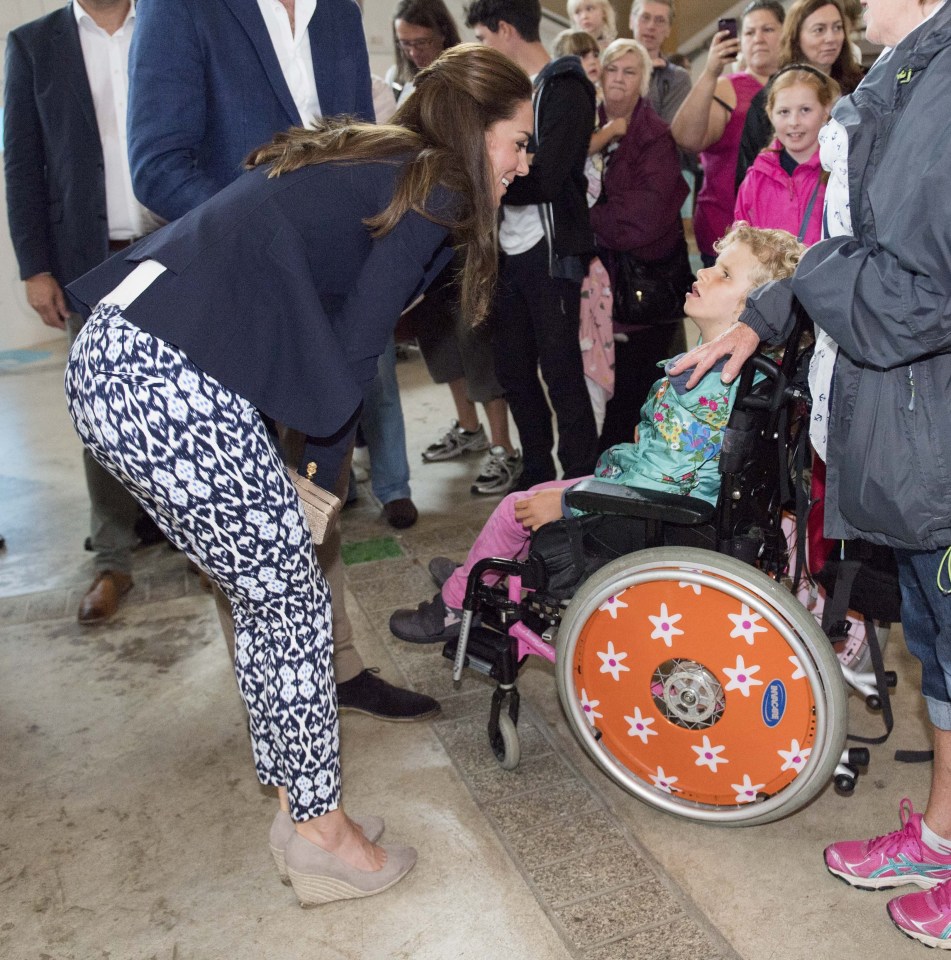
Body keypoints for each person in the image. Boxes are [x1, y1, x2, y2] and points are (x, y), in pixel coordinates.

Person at [63, 44, 534, 906]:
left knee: (271, 590)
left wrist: (308, 488)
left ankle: (297, 807)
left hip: (131, 360)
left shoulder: (382, 160)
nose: (523, 163)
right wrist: (316, 487)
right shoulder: (438, 186)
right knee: (285, 592)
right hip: (163, 375)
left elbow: (314, 315)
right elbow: (355, 347)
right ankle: (319, 832)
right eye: (516, 142)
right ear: (475, 134)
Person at [668, 0, 951, 948]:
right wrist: (775, 304)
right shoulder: (909, 66)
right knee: (936, 652)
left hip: (933, 415)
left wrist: (806, 282)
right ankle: (945, 837)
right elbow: (860, 246)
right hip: (908, 427)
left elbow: (918, 295)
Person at [125, 0, 435, 721]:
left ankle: (339, 665)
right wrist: (276, 243)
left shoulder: (337, 12)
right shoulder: (180, 10)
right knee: (245, 515)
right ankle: (283, 697)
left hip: (324, 290)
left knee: (316, 487)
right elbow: (158, 165)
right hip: (228, 288)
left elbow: (365, 145)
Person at [389, 224, 804, 642]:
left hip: (652, 514)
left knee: (518, 506)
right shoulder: (746, 378)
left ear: (750, 313)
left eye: (725, 274)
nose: (704, 273)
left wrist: (569, 503)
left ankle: (457, 604)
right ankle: (478, 572)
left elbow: (658, 480)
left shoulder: (698, 386)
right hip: (687, 507)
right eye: (714, 265)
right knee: (533, 505)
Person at [3, 0, 166, 625]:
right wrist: (34, 266)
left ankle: (200, 544)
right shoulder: (33, 44)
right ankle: (113, 557)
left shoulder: (169, 22)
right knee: (103, 410)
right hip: (88, 261)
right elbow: (22, 164)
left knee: (193, 401)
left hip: (176, 247)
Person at [387, 0, 521, 495]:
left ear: (443, 37)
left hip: (468, 229)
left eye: (423, 43)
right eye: (407, 45)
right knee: (437, 336)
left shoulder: (469, 81)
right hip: (424, 227)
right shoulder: (404, 85)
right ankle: (469, 428)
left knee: (475, 337)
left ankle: (503, 446)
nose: (416, 52)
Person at [466, 0, 600, 492]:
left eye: (482, 37)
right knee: (514, 371)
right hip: (504, 252)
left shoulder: (565, 86)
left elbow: (547, 176)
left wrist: (483, 179)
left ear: (504, 30)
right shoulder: (506, 93)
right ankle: (537, 474)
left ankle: (581, 481)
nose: (481, 49)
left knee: (562, 372)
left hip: (551, 252)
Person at [589, 39, 690, 452]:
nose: (618, 78)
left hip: (643, 295)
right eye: (612, 68)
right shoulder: (582, 125)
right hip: (594, 291)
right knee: (593, 398)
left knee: (632, 406)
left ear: (644, 82)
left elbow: (640, 221)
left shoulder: (655, 136)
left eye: (630, 72)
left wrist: (580, 219)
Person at [670, 0, 785, 267]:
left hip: (781, 227)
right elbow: (686, 139)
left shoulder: (797, 83)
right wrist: (710, 70)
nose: (758, 38)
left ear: (785, 33)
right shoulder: (726, 87)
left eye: (767, 29)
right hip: (726, 227)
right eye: (749, 32)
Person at [734, 0, 862, 190]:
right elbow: (749, 173)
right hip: (785, 204)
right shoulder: (772, 96)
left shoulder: (860, 88)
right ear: (796, 36)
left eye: (837, 28)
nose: (831, 38)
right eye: (819, 30)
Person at [733, 66, 840, 246]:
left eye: (805, 110)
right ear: (770, 114)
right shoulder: (756, 178)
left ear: (826, 110)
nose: (794, 122)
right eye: (784, 112)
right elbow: (740, 247)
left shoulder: (840, 173)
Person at [629, 0, 691, 125]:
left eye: (660, 20)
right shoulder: (608, 67)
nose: (651, 26)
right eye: (645, 17)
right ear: (631, 21)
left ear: (668, 30)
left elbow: (666, 134)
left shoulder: (677, 78)